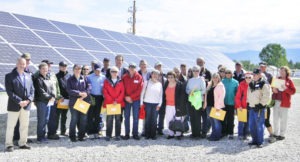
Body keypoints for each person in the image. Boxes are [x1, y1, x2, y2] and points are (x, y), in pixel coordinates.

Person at [5, 58, 34, 152]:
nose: (22, 65)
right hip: (14, 105)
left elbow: (32, 91)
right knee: (11, 126)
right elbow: (9, 92)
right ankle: (9, 145)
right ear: (17, 64)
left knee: (24, 125)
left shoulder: (29, 76)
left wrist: (28, 100)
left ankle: (22, 143)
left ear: (26, 65)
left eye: (24, 64)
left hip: (26, 105)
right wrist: (19, 101)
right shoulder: (9, 76)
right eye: (20, 63)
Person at [13, 53, 34, 143]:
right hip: (18, 101)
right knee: (17, 121)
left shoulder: (29, 71)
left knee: (25, 121)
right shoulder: (16, 71)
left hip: (27, 100)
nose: (28, 61)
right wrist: (19, 100)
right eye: (26, 60)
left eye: (29, 60)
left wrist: (30, 99)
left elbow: (31, 87)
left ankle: (23, 138)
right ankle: (16, 138)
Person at [247, 69, 271, 148]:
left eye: (255, 74)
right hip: (251, 107)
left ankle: (260, 141)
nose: (253, 76)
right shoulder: (251, 83)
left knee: (259, 125)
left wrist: (261, 105)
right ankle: (254, 140)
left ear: (259, 75)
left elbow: (267, 96)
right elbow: (248, 94)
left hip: (259, 108)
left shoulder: (263, 84)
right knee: (251, 125)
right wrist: (248, 103)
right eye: (253, 74)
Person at [33, 62, 56, 143]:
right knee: (41, 120)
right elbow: (41, 91)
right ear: (39, 70)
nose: (45, 70)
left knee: (46, 119)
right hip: (41, 102)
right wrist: (50, 97)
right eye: (43, 69)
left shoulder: (48, 77)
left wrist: (53, 96)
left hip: (49, 102)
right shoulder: (38, 79)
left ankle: (43, 135)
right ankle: (40, 137)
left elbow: (52, 88)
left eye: (46, 69)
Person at [67, 64, 90, 142]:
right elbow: (69, 90)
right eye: (76, 69)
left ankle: (81, 136)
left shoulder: (84, 78)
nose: (78, 70)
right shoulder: (70, 79)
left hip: (83, 102)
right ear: (73, 70)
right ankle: (72, 136)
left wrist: (85, 94)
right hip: (74, 103)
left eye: (79, 69)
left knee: (83, 119)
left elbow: (89, 87)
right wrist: (79, 93)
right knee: (74, 119)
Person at [272, 66, 296, 141]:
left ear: (286, 72)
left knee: (283, 119)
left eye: (283, 71)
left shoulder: (289, 80)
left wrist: (286, 88)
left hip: (284, 103)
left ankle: (282, 135)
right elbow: (272, 88)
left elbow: (293, 91)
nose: (281, 72)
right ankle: (275, 133)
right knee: (275, 118)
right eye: (280, 71)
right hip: (276, 102)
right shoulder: (276, 79)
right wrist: (274, 89)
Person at [40, 59, 61, 140]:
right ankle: (41, 135)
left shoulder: (52, 74)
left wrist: (58, 96)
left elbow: (57, 86)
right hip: (43, 100)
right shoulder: (38, 74)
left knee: (53, 117)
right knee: (44, 118)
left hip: (53, 100)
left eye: (50, 65)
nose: (49, 66)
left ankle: (51, 133)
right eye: (48, 64)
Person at [103, 66, 125, 141]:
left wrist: (117, 100)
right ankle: (108, 135)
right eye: (112, 71)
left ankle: (117, 135)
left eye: (115, 72)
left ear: (118, 73)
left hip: (118, 104)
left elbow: (122, 92)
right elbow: (105, 92)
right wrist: (112, 100)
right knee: (109, 120)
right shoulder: (106, 81)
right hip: (110, 104)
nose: (114, 73)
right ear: (110, 72)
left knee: (118, 120)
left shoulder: (121, 81)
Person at [162, 71, 187, 140]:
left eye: (172, 77)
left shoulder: (179, 84)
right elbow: (163, 95)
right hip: (168, 105)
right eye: (168, 77)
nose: (170, 78)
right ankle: (171, 134)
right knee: (169, 119)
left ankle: (178, 134)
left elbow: (182, 97)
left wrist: (180, 106)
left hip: (177, 106)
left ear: (174, 77)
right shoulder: (166, 84)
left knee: (178, 119)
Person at [122, 62, 143, 140]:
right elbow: (122, 88)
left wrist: (130, 97)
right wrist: (125, 97)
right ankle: (127, 134)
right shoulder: (124, 77)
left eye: (133, 67)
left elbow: (139, 90)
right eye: (130, 67)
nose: (132, 68)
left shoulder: (139, 77)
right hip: (126, 100)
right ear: (128, 68)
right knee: (126, 117)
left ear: (135, 68)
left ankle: (135, 134)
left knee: (135, 117)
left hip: (136, 100)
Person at [140, 69, 163, 140]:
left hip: (156, 104)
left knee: (154, 120)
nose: (155, 75)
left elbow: (160, 95)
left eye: (157, 74)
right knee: (147, 119)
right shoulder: (146, 82)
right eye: (154, 74)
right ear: (151, 74)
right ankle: (147, 134)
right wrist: (141, 103)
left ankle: (153, 134)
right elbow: (142, 93)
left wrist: (159, 104)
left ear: (158, 76)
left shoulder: (159, 84)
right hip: (147, 103)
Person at [203, 73, 225, 141]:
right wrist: (205, 104)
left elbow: (221, 97)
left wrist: (217, 107)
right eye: (214, 77)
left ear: (218, 78)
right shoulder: (209, 85)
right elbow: (206, 95)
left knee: (217, 122)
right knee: (212, 122)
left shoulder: (220, 86)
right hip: (209, 106)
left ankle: (217, 136)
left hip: (217, 107)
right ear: (212, 78)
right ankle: (213, 134)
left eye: (216, 77)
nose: (215, 79)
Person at [186, 65, 206, 139]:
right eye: (194, 70)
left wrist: (196, 93)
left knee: (197, 117)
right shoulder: (190, 80)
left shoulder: (201, 80)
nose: (195, 72)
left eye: (197, 70)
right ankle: (193, 133)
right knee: (192, 117)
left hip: (198, 100)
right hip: (191, 100)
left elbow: (204, 90)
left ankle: (197, 134)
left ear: (199, 71)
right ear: (192, 71)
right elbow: (187, 89)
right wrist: (190, 92)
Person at [87, 63, 106, 138]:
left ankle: (96, 131)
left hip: (100, 97)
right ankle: (90, 132)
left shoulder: (104, 77)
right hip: (92, 97)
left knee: (98, 115)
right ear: (93, 70)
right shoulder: (89, 77)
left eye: (99, 70)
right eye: (96, 70)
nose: (98, 72)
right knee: (91, 114)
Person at [259, 61, 275, 143]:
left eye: (263, 66)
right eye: (261, 66)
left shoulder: (270, 76)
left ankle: (272, 134)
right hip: (257, 102)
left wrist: (272, 100)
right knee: (258, 119)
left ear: (266, 66)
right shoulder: (256, 75)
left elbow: (273, 88)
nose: (262, 67)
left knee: (266, 119)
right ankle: (259, 135)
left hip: (266, 102)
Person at [196, 57, 211, 138]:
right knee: (197, 115)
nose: (199, 63)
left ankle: (204, 131)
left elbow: (211, 83)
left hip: (205, 96)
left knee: (205, 116)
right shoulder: (194, 71)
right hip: (196, 98)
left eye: (201, 62)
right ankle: (197, 131)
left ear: (204, 62)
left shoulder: (208, 72)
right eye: (198, 62)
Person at [235, 72, 252, 140]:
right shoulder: (241, 84)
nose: (248, 79)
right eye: (246, 77)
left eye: (249, 77)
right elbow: (238, 96)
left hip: (251, 105)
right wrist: (239, 105)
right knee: (241, 121)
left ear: (252, 78)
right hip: (243, 105)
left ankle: (246, 134)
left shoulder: (254, 84)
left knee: (248, 121)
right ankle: (240, 134)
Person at [55, 61, 71, 136]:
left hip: (67, 99)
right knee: (57, 115)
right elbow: (55, 88)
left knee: (64, 116)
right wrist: (58, 97)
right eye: (62, 66)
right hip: (59, 99)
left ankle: (63, 131)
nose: (64, 67)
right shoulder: (56, 76)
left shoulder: (69, 76)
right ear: (59, 67)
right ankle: (54, 131)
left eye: (65, 66)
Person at [222, 69, 239, 139]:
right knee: (223, 118)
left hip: (232, 103)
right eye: (226, 73)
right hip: (223, 103)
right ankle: (224, 132)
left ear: (232, 74)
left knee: (231, 119)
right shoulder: (222, 81)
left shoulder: (235, 82)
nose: (228, 74)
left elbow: (237, 93)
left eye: (229, 73)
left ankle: (230, 133)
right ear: (225, 74)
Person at [138, 59, 151, 136]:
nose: (143, 66)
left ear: (147, 65)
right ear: (139, 66)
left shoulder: (150, 74)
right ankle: (138, 131)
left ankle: (145, 130)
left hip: (148, 96)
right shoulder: (137, 73)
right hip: (139, 96)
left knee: (147, 114)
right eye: (142, 64)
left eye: (144, 64)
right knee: (139, 114)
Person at [154, 62, 167, 135]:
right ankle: (154, 128)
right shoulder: (152, 76)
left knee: (162, 115)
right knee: (155, 114)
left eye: (160, 66)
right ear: (155, 67)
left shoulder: (165, 76)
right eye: (157, 66)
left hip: (163, 98)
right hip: (155, 98)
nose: (159, 68)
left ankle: (160, 129)